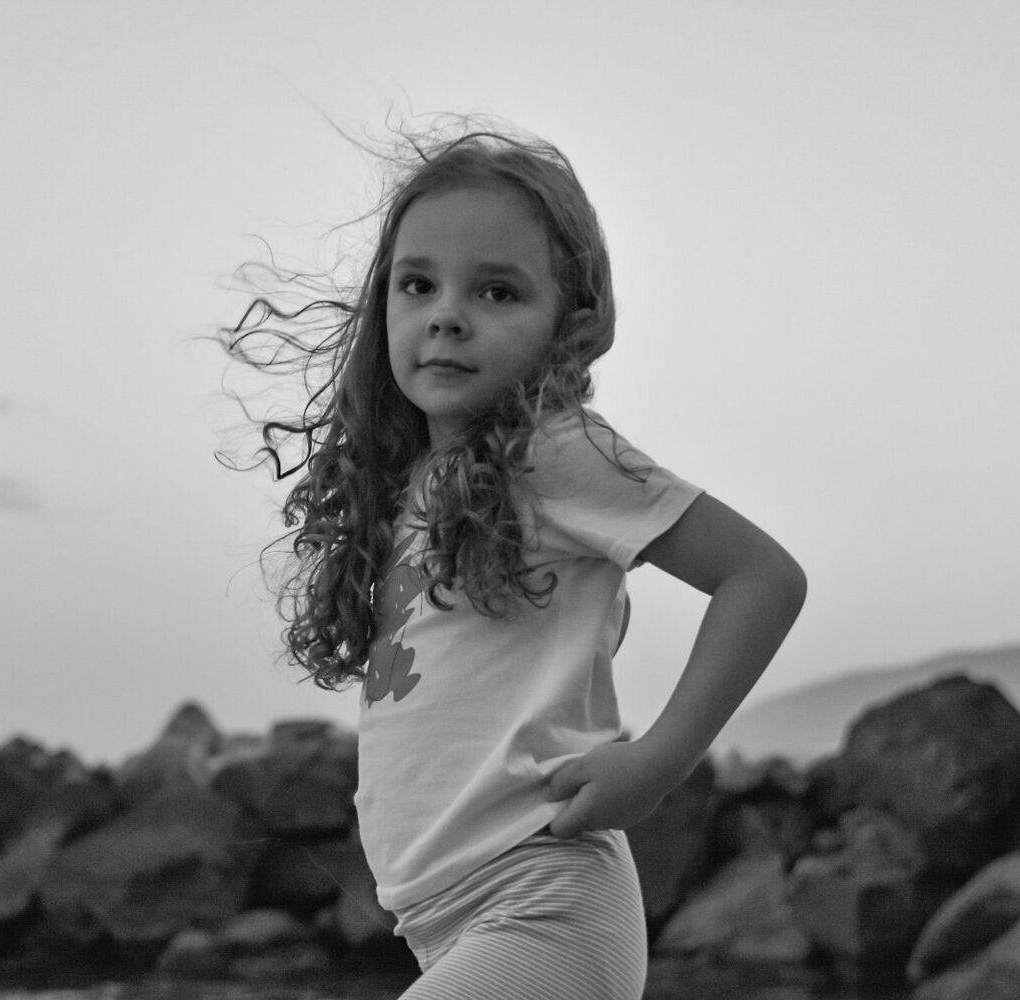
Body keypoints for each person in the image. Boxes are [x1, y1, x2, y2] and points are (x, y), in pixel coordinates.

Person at [219, 119, 806, 999]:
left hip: (545, 903)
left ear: (568, 325)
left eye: (497, 291)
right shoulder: (410, 483)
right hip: (445, 923)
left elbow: (762, 577)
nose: (447, 314)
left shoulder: (552, 451)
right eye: (418, 284)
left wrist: (658, 763)